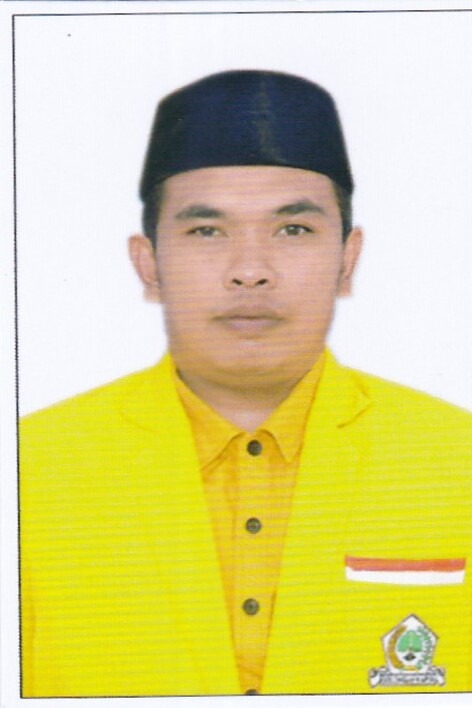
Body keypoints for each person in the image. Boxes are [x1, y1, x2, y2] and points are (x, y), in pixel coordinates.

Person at [20, 70, 471, 697]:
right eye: (207, 230)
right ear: (148, 264)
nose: (251, 271)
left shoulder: (457, 458)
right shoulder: (29, 468)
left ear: (347, 259)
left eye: (293, 229)